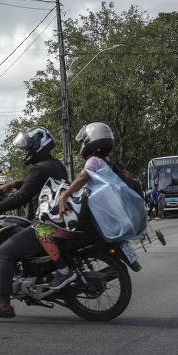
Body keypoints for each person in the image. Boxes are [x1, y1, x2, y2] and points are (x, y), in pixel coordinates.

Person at [0, 126, 67, 318]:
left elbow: (22, 197)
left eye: (28, 149)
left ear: (37, 147)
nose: (25, 153)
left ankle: (4, 306)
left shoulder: (40, 168)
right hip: (58, 221)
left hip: (45, 224)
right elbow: (31, 183)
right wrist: (11, 184)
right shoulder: (54, 164)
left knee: (5, 251)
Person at [46, 122, 115, 288]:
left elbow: (83, 177)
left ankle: (63, 271)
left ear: (90, 140)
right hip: (101, 218)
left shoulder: (93, 161)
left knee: (41, 230)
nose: (83, 143)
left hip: (88, 221)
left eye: (84, 140)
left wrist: (64, 195)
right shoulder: (106, 162)